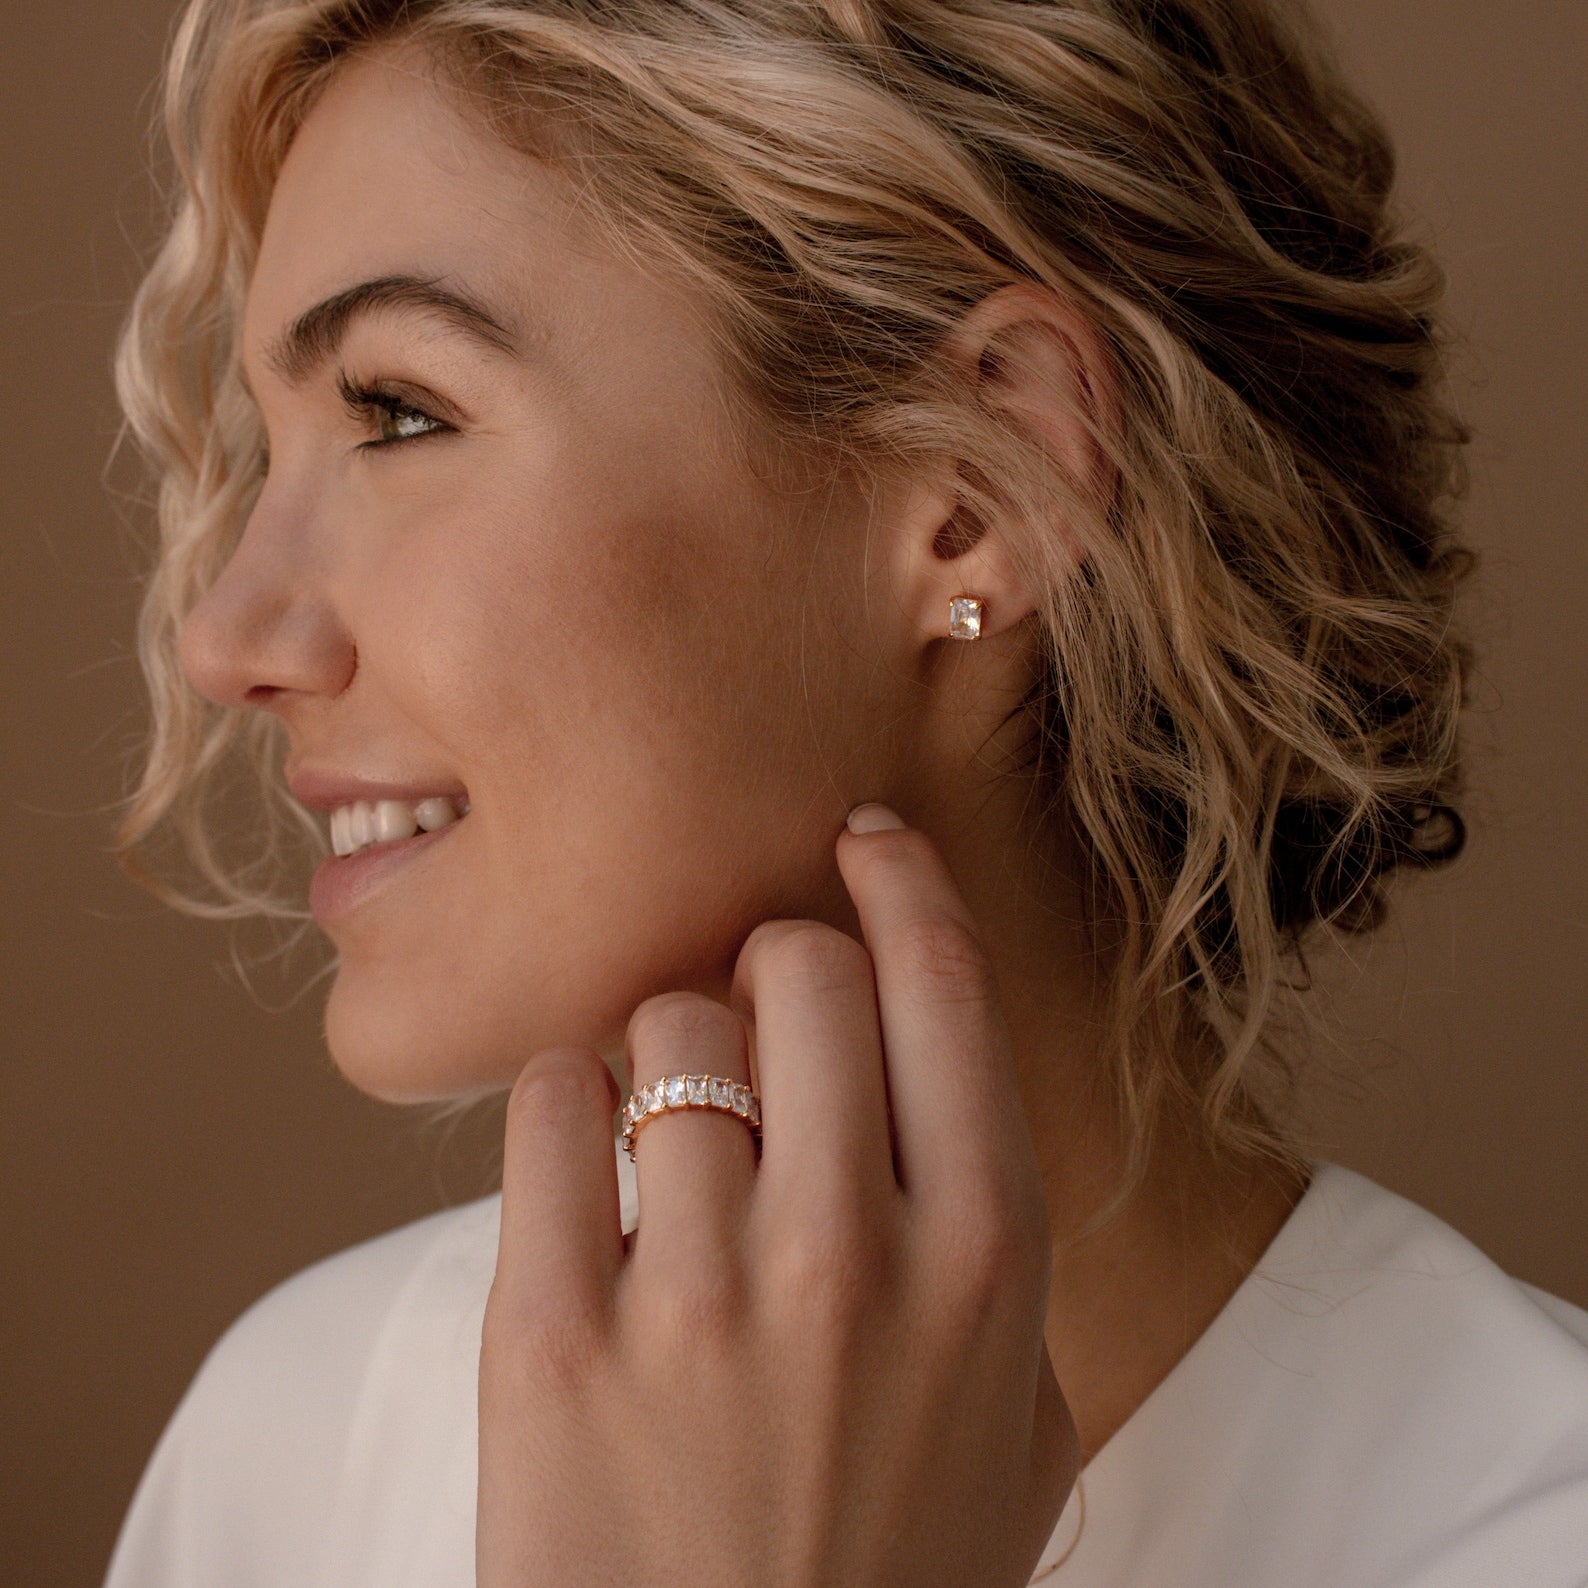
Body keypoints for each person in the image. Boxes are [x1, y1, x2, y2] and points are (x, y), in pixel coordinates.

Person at [101, 0, 1588, 1583]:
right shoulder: (289, 1453)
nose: (227, 637)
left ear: (978, 484)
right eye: (268, 451)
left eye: (399, 414)